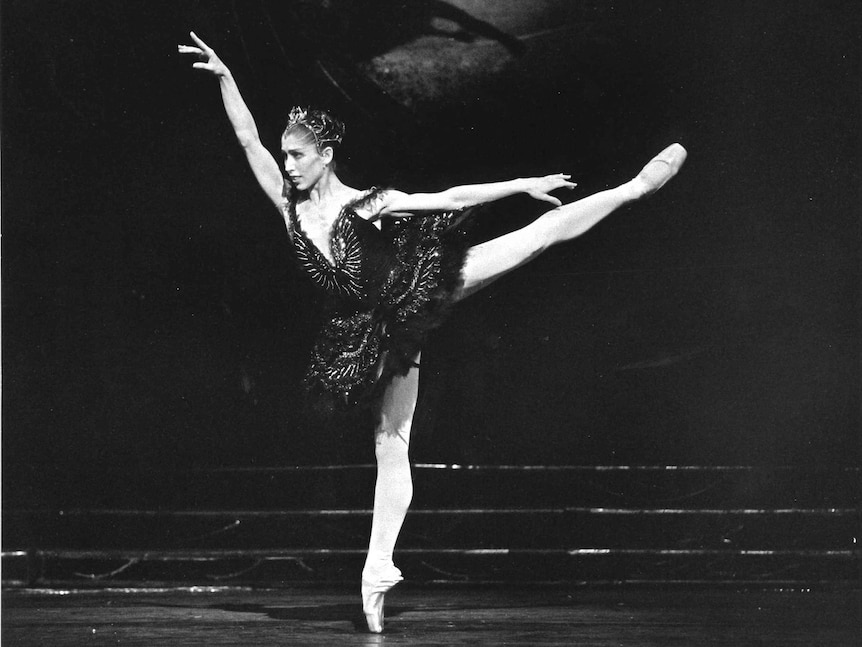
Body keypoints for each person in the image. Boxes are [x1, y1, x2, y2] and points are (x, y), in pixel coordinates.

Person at [179, 31, 686, 633]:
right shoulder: (288, 209)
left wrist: (519, 186)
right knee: (390, 445)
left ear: (326, 155)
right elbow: (246, 139)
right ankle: (376, 572)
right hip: (370, 333)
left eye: (296, 155)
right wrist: (226, 78)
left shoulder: (367, 204)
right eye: (285, 155)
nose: (286, 164)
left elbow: (448, 197)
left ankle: (633, 188)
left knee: (532, 237)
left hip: (415, 288)